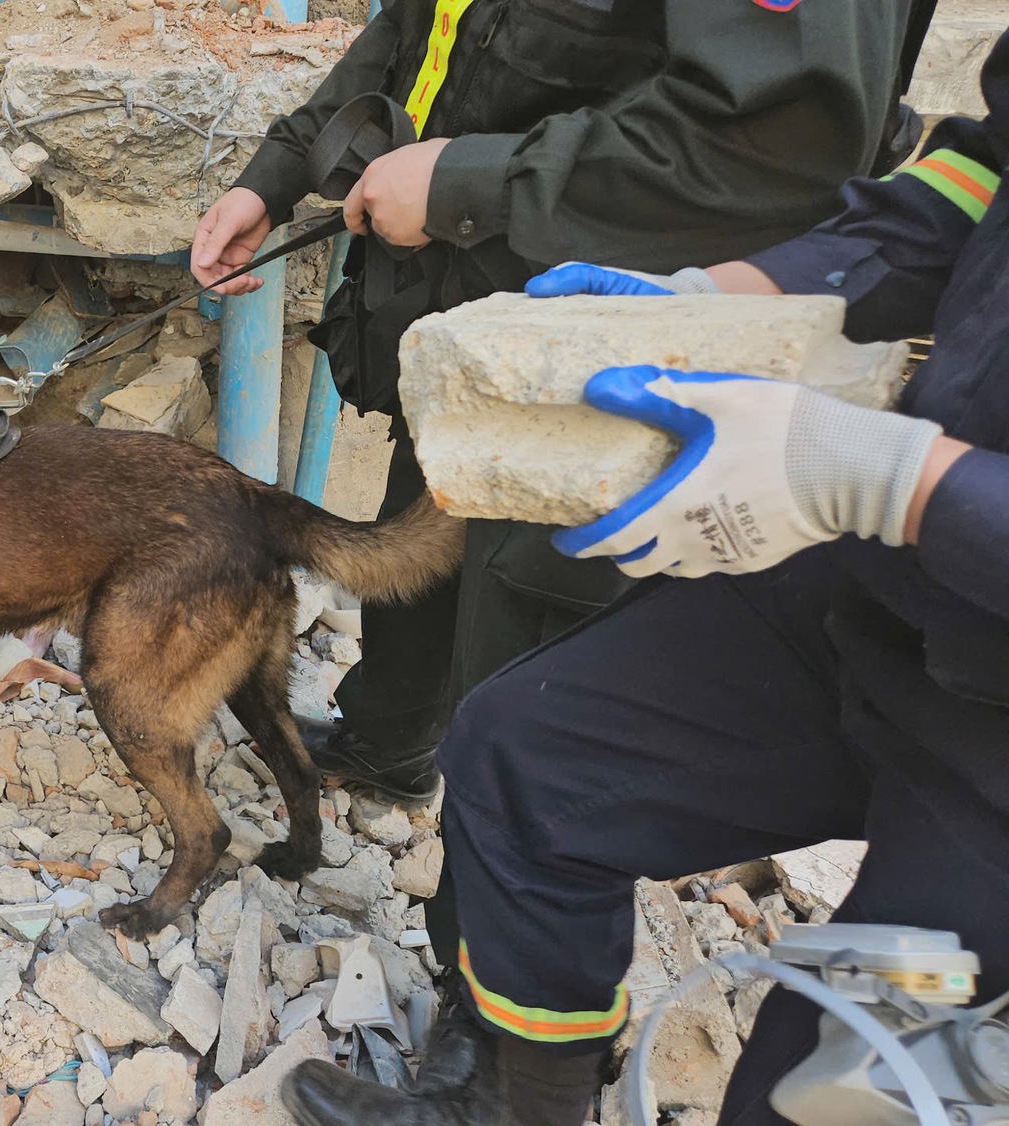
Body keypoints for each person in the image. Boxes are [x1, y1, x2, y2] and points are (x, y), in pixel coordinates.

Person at [282, 26, 1009, 1126]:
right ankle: (507, 1104)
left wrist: (878, 473)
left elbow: (777, 121)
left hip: (989, 733)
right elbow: (970, 182)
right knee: (528, 752)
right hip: (900, 587)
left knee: (821, 1085)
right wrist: (726, 293)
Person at [190, 0, 935, 807]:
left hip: (609, 350)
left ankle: (485, 887)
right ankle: (391, 741)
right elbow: (424, 26)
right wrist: (283, 170)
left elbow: (785, 138)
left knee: (532, 738)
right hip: (472, 309)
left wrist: (469, 181)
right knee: (423, 516)